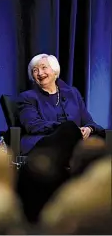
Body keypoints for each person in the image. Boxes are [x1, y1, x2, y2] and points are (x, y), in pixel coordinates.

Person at [16, 53, 105, 223]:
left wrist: (88, 128)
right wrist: (66, 128)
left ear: (55, 71)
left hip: (75, 144)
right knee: (70, 129)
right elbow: (33, 125)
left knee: (99, 138)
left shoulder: (72, 93)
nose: (40, 73)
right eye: (35, 70)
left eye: (44, 68)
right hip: (42, 144)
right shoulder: (27, 97)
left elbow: (89, 121)